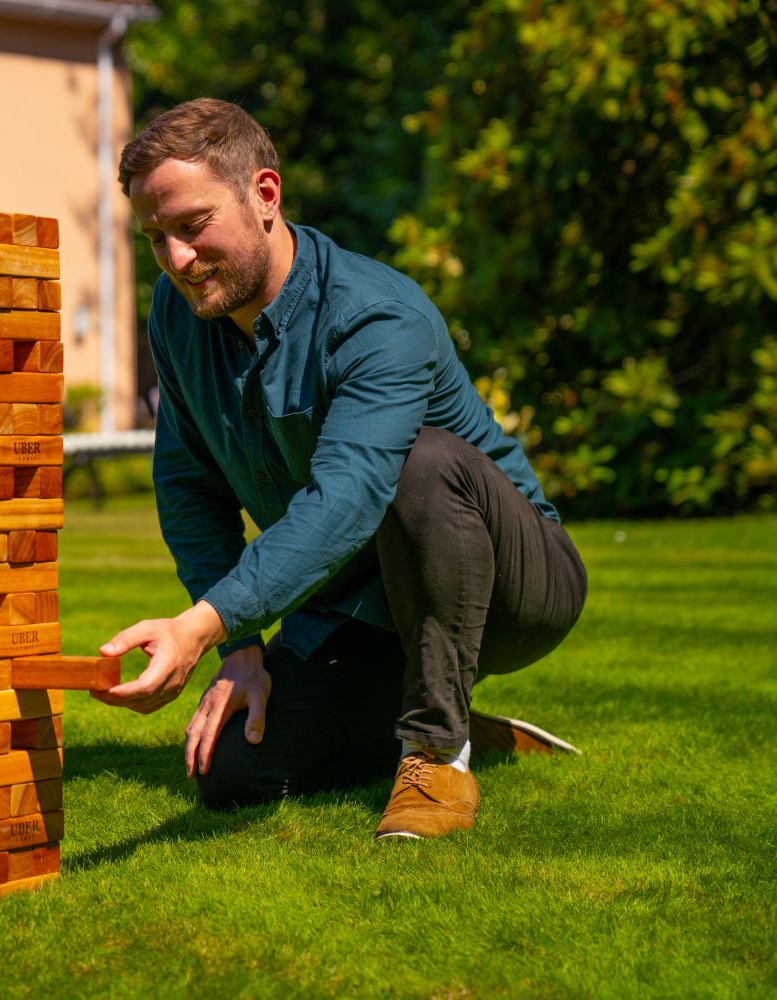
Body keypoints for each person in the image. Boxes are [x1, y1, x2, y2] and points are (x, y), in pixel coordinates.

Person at [95, 98, 587, 840]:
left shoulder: (377, 315)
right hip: (362, 596)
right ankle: (433, 705)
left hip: (514, 585)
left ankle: (436, 751)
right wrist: (242, 650)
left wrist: (201, 622)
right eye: (155, 238)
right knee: (234, 771)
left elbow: (351, 497)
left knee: (418, 463)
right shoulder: (176, 312)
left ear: (265, 195)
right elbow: (188, 486)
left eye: (192, 227)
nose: (177, 260)